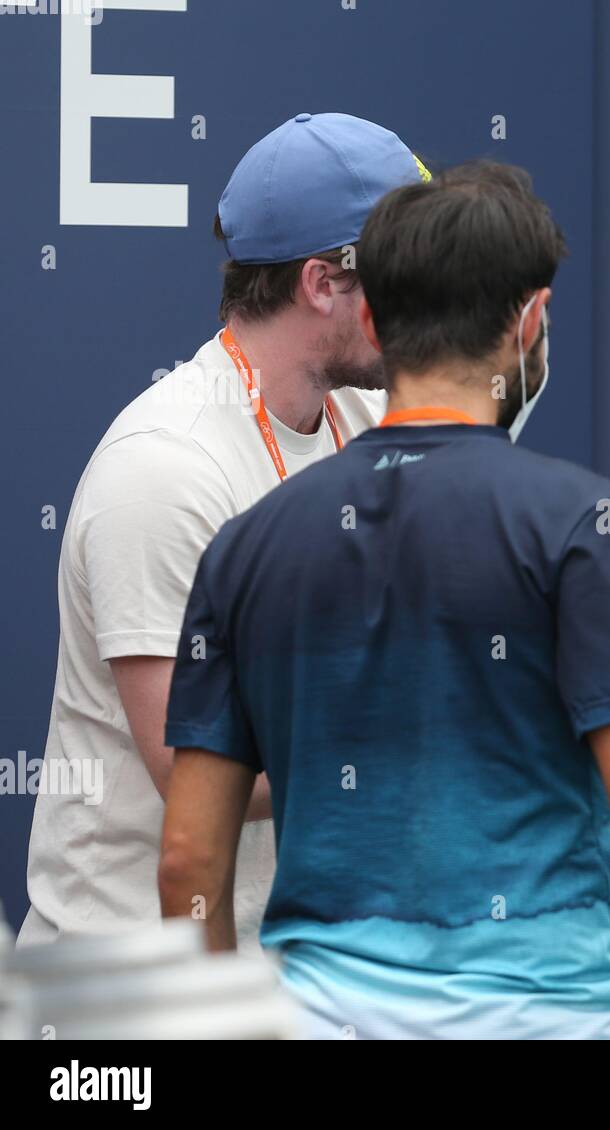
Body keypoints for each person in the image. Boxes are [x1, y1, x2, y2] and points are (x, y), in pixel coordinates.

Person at [158, 160, 610, 1039]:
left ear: (375, 320)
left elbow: (189, 857)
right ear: (530, 321)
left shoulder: (244, 548)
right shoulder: (579, 523)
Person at [20, 113, 430, 951]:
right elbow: (192, 767)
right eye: (412, 272)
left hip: (297, 970)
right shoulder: (164, 470)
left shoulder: (370, 416)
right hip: (133, 990)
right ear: (323, 283)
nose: (435, 300)